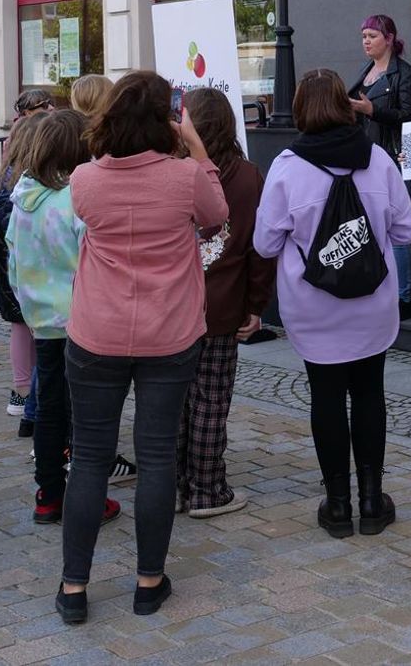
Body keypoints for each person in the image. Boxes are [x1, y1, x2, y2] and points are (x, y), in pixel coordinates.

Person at [56, 72, 227, 624]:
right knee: (156, 459)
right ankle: (148, 582)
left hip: (96, 332)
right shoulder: (185, 177)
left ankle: (74, 587)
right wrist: (197, 150)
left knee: (90, 458)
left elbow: (87, 215)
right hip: (168, 334)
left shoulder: (85, 179)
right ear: (166, 120)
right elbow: (217, 216)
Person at [254, 69, 411, 540]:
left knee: (325, 397)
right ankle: (372, 500)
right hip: (372, 302)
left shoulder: (287, 167)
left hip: (313, 305)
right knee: (369, 394)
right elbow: (405, 231)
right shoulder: (378, 160)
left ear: (300, 109)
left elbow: (265, 243)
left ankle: (339, 504)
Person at [7, 110, 123, 529]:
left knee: (50, 409)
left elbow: (13, 261)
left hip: (42, 320)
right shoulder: (75, 200)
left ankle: (48, 493)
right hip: (82, 320)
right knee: (87, 415)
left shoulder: (23, 200)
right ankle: (88, 496)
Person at [176, 88, 274, 519]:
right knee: (211, 401)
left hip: (175, 305)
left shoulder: (173, 169)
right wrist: (256, 304)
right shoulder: (247, 176)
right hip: (222, 303)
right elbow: (258, 249)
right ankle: (207, 488)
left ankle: (176, 484)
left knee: (173, 400)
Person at [349, 14, 411, 320]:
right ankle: (383, 288)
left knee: (395, 225)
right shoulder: (366, 71)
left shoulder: (404, 74)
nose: (366, 41)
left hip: (395, 155)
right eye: (364, 36)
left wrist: (372, 110)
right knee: (372, 225)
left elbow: (409, 115)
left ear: (389, 39)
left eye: (372, 36)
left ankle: (403, 297)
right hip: (366, 154)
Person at [0, 116, 39, 433]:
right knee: (25, 328)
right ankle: (22, 390)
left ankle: (23, 390)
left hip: (13, 268)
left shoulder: (6, 175)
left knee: (21, 328)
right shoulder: (21, 180)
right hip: (21, 267)